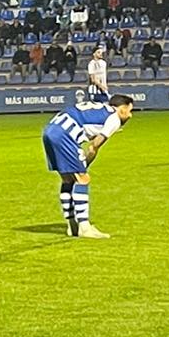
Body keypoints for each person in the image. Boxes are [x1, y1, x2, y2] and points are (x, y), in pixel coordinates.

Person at [41, 93, 134, 239]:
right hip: (65, 135)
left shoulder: (101, 109)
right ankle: (84, 227)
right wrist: (85, 165)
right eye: (129, 111)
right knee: (83, 179)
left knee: (67, 179)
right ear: (121, 109)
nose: (130, 116)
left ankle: (72, 225)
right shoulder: (114, 118)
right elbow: (93, 147)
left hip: (49, 130)